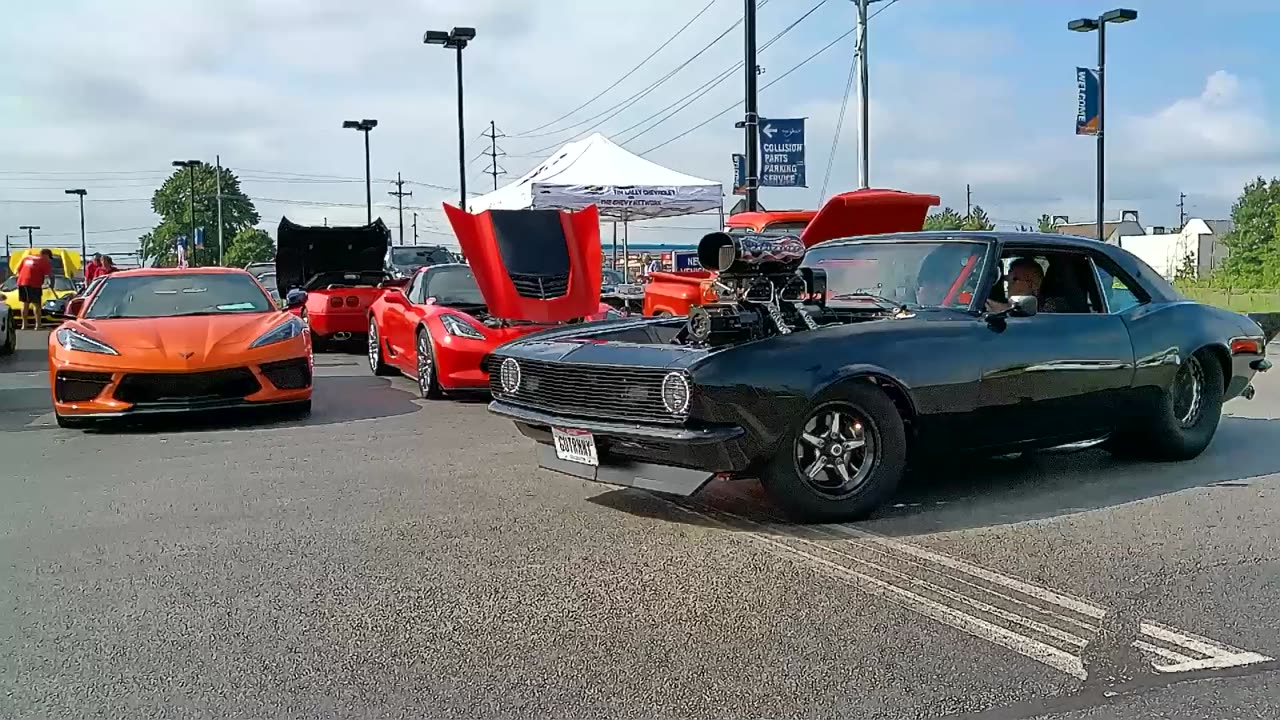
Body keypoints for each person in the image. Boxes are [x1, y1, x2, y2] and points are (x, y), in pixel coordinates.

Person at [985, 257, 1061, 314]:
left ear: (1032, 285)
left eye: (1014, 279)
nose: (1007, 282)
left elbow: (1016, 311)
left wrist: (992, 305)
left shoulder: (1049, 308)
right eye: (1007, 277)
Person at [15, 249, 55, 331]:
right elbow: (51, 275)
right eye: (49, 257)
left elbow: (17, 270)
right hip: (34, 283)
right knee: (37, 304)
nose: (49, 260)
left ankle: (24, 325)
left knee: (25, 303)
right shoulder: (44, 261)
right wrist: (52, 285)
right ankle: (38, 325)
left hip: (22, 282)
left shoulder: (27, 258)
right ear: (46, 255)